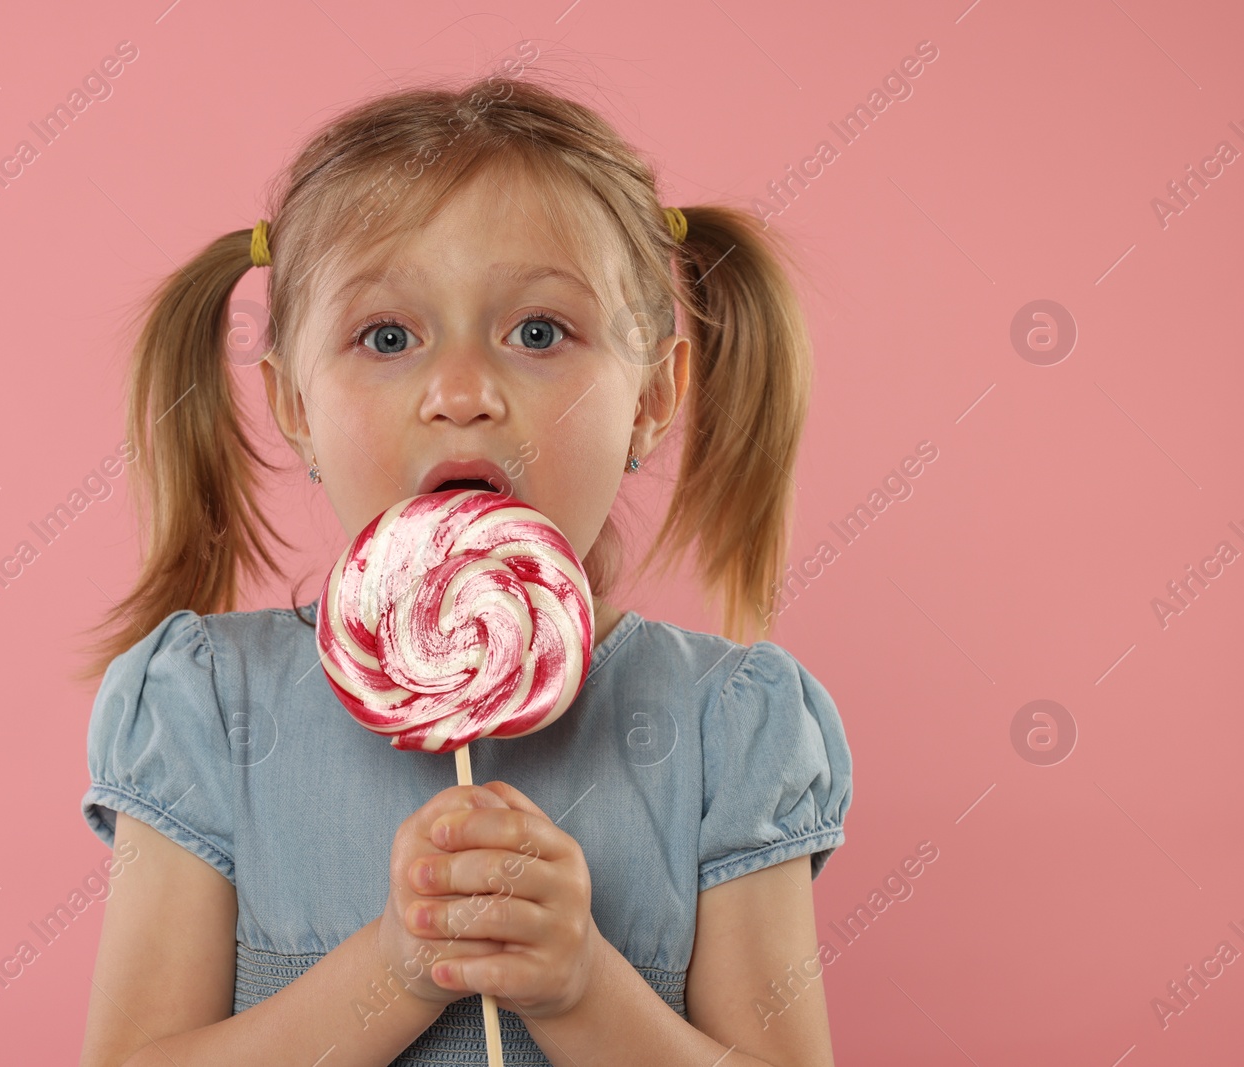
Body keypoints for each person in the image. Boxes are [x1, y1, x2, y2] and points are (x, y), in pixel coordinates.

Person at [75, 71, 852, 1067]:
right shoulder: (205, 706)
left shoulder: (729, 722)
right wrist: (400, 966)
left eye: (538, 332)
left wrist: (581, 986)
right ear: (296, 404)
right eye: (387, 336)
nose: (460, 391)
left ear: (654, 395)